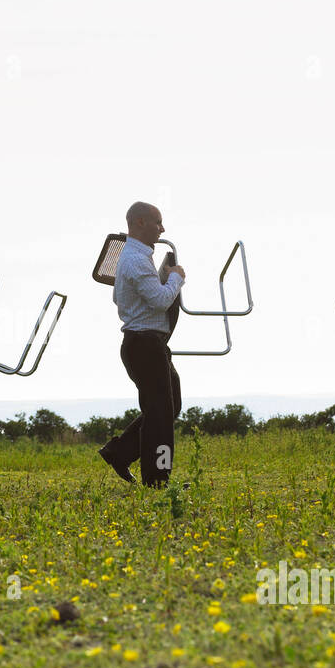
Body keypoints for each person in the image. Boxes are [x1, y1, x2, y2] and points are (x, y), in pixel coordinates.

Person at [98, 201, 186, 487]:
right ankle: (158, 481)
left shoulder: (136, 257)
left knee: (167, 407)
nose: (162, 228)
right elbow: (160, 300)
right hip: (144, 344)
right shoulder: (135, 260)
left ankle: (120, 452)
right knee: (160, 414)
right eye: (157, 222)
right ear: (139, 223)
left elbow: (121, 298)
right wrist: (175, 279)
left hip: (147, 343)